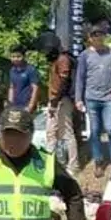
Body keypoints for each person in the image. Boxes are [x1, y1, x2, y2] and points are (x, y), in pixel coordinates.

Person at [75, 26, 111, 177]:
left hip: (109, 97)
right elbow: (80, 78)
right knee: (95, 131)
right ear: (90, 38)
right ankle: (98, 161)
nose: (98, 38)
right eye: (95, 36)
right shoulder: (84, 55)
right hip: (91, 98)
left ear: (104, 37)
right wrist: (78, 98)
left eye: (101, 36)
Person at [44, 37, 79, 170]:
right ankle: (50, 164)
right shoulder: (57, 59)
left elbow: (63, 82)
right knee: (52, 133)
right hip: (56, 99)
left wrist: (54, 102)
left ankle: (73, 165)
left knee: (66, 133)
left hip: (61, 100)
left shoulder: (62, 59)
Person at [8, 45, 40, 112]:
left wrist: (31, 106)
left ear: (24, 57)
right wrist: (10, 104)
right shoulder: (12, 70)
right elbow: (11, 88)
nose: (15, 59)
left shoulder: (31, 69)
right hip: (15, 106)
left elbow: (35, 89)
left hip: (27, 106)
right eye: (13, 57)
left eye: (18, 56)